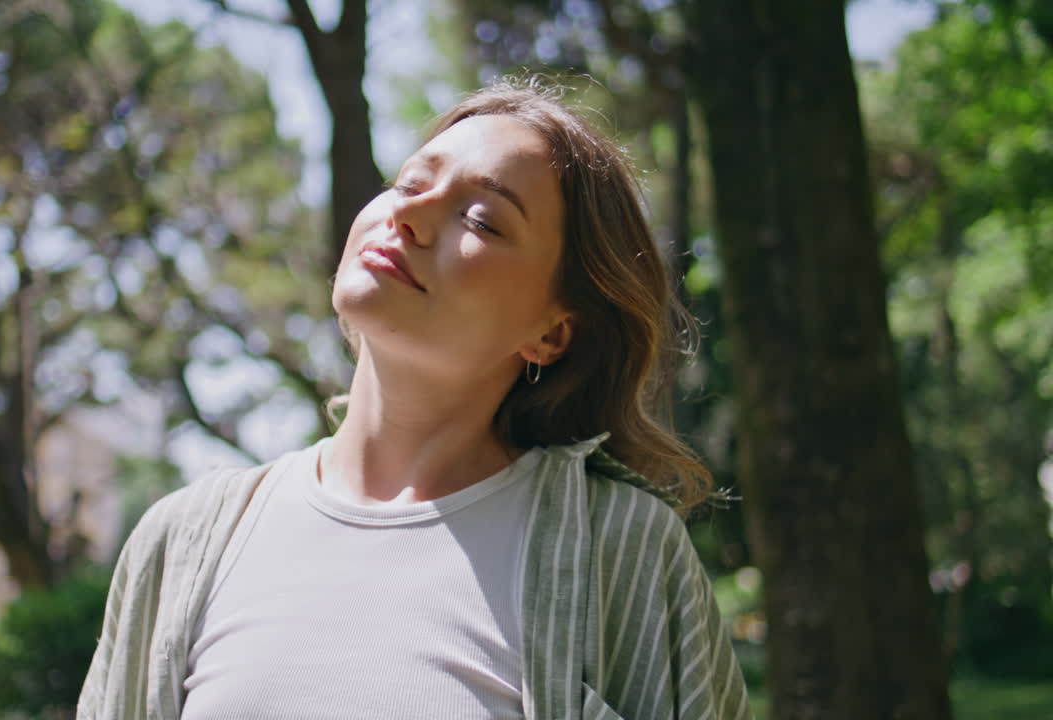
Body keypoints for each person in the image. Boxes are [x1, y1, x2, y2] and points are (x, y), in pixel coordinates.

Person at [78, 78, 753, 720]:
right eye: (409, 182)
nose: (409, 211)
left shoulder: (622, 549)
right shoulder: (190, 538)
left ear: (551, 332)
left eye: (484, 220)